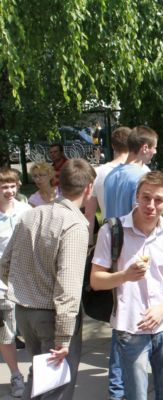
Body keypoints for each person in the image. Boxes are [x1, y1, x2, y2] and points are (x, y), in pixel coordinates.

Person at [0, 159, 96, 399]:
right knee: (57, 387)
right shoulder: (74, 224)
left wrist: (24, 289)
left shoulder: (31, 215)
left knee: (39, 378)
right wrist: (63, 337)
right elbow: (68, 286)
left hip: (25, 312)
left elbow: (5, 263)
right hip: (52, 316)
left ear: (59, 184)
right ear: (89, 188)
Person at [90, 171, 163, 400]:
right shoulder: (112, 231)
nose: (151, 205)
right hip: (129, 326)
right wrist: (124, 275)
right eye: (146, 197)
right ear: (137, 196)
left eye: (158, 200)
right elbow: (96, 280)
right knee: (136, 395)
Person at [102, 125, 158, 400]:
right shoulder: (141, 176)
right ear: (144, 148)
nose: (155, 152)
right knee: (128, 322)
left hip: (114, 248)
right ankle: (119, 388)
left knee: (121, 317)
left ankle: (119, 386)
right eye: (154, 148)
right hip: (132, 249)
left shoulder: (112, 173)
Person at [0, 168, 30, 397]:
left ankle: (40, 372)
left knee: (34, 330)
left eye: (12, 186)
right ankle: (15, 374)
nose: (9, 191)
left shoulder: (26, 211)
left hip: (28, 282)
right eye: (4, 187)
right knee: (6, 332)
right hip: (2, 285)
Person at [84, 126, 134, 240]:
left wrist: (89, 243)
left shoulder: (97, 173)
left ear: (112, 146)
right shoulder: (143, 171)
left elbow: (89, 214)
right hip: (136, 237)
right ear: (132, 144)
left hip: (109, 235)